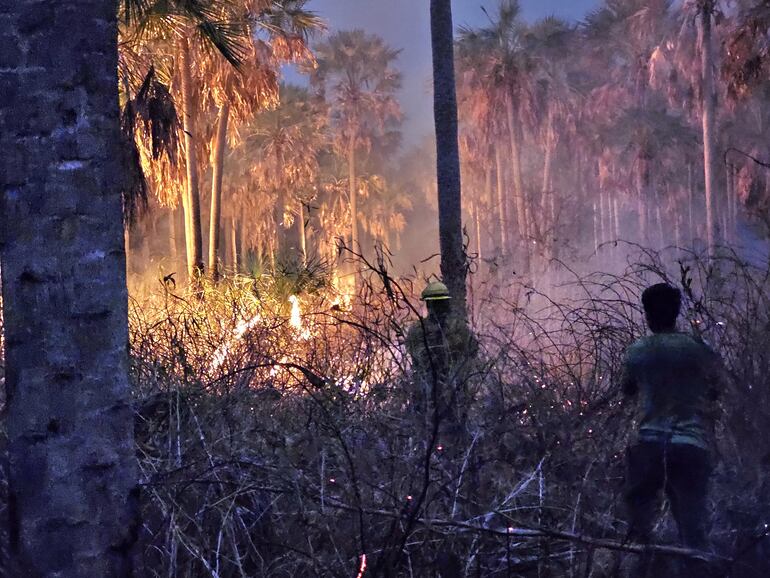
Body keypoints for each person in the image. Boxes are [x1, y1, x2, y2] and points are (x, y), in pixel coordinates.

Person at [621, 283, 724, 573]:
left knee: (639, 515)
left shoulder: (638, 351)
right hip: (691, 444)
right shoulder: (698, 349)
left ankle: (650, 566)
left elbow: (628, 391)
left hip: (650, 443)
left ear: (648, 314)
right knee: (693, 527)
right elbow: (715, 389)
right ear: (677, 312)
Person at [405, 281, 477, 426]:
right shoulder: (459, 328)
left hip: (431, 392)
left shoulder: (418, 329)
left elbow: (414, 354)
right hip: (451, 392)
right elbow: (472, 351)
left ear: (428, 305)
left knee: (427, 429)